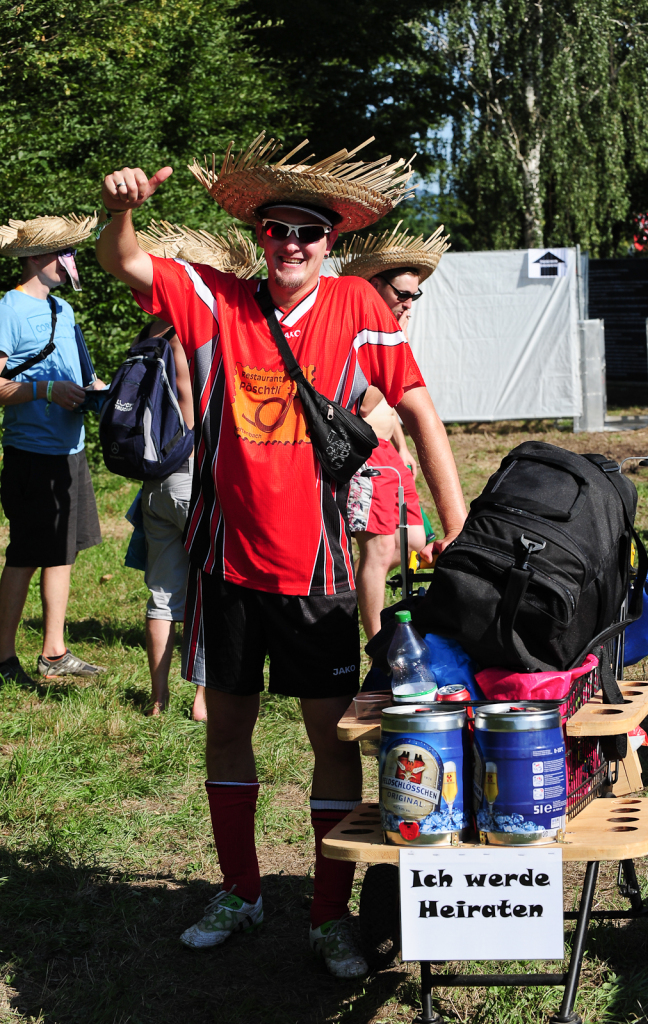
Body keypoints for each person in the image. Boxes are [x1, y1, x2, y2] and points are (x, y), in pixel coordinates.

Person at [95, 133, 467, 979]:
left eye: (308, 232)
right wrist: (120, 212)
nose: (291, 245)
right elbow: (128, 264)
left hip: (322, 576)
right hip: (227, 568)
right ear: (259, 239)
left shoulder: (358, 310)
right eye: (277, 231)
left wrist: (458, 520)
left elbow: (417, 407)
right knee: (225, 734)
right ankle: (240, 888)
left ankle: (330, 914)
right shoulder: (217, 299)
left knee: (331, 742)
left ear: (331, 244)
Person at [133, 222, 265, 719]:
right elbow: (206, 413)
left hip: (155, 480)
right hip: (197, 476)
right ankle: (204, 698)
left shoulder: (150, 335)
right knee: (215, 586)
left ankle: (158, 698)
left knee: (163, 590)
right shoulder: (196, 337)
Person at [0, 214, 107, 685]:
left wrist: (103, 391)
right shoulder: (7, 308)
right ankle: (3, 658)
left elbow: (80, 376)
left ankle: (54, 652)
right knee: (25, 554)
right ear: (38, 257)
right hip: (30, 454)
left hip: (71, 450)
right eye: (66, 253)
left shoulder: (64, 310)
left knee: (63, 552)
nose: (72, 262)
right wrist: (44, 392)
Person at [335, 224, 451, 639]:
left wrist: (402, 448)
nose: (409, 303)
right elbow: (363, 403)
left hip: (388, 454)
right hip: (364, 456)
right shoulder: (358, 332)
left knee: (416, 541)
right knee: (381, 550)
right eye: (401, 293)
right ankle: (376, 640)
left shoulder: (389, 335)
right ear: (373, 287)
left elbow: (396, 408)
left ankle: (392, 623)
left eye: (414, 295)